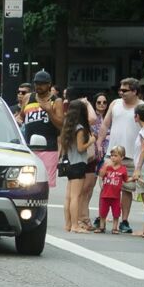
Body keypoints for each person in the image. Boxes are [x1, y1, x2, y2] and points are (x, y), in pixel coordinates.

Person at [102, 79, 144, 233]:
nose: (121, 92)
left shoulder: (142, 107)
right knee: (107, 187)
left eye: (125, 90)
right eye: (120, 90)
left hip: (131, 155)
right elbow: (106, 124)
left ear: (134, 91)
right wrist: (100, 144)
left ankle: (124, 220)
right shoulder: (115, 104)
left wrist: (142, 157)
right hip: (112, 154)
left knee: (127, 189)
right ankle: (103, 218)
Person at [59, 98, 95, 233]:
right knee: (76, 196)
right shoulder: (80, 128)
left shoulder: (67, 127)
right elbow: (81, 148)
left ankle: (68, 224)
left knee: (68, 196)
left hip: (69, 163)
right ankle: (75, 225)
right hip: (78, 163)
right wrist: (91, 141)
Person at [20, 70, 61, 187]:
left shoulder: (56, 101)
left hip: (49, 148)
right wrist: (18, 119)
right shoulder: (28, 97)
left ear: (49, 85)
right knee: (25, 183)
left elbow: (61, 126)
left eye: (42, 84)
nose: (39, 86)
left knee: (44, 185)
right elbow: (22, 116)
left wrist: (49, 111)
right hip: (29, 148)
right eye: (37, 83)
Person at [97, 147, 130, 234]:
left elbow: (126, 180)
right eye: (111, 156)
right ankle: (101, 226)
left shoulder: (123, 169)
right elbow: (101, 175)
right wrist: (105, 166)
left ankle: (115, 227)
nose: (113, 158)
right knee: (103, 212)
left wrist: (133, 178)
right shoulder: (107, 167)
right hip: (105, 194)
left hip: (116, 196)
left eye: (115, 156)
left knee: (116, 213)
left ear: (122, 157)